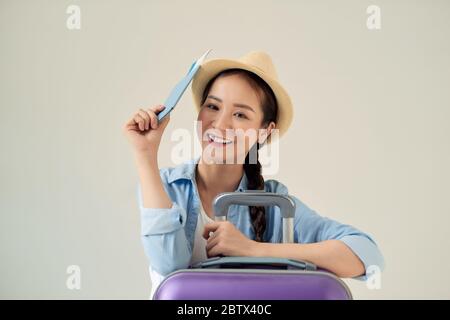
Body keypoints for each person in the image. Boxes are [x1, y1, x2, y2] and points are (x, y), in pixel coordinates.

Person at [123, 51, 384, 298]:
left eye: (239, 114)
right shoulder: (166, 186)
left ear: (264, 131)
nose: (220, 123)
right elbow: (170, 266)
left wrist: (252, 250)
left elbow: (367, 257)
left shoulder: (275, 205)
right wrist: (145, 156)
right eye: (213, 107)